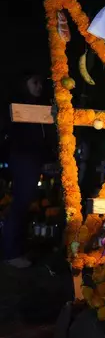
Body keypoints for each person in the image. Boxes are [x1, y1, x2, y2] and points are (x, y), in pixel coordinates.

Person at [1, 73, 56, 268]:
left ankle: (18, 249)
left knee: (25, 204)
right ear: (24, 84)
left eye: (41, 82)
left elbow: (42, 137)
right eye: (35, 82)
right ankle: (11, 253)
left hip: (33, 159)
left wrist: (47, 158)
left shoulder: (39, 106)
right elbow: (22, 137)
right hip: (23, 159)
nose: (39, 86)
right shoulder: (18, 107)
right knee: (20, 203)